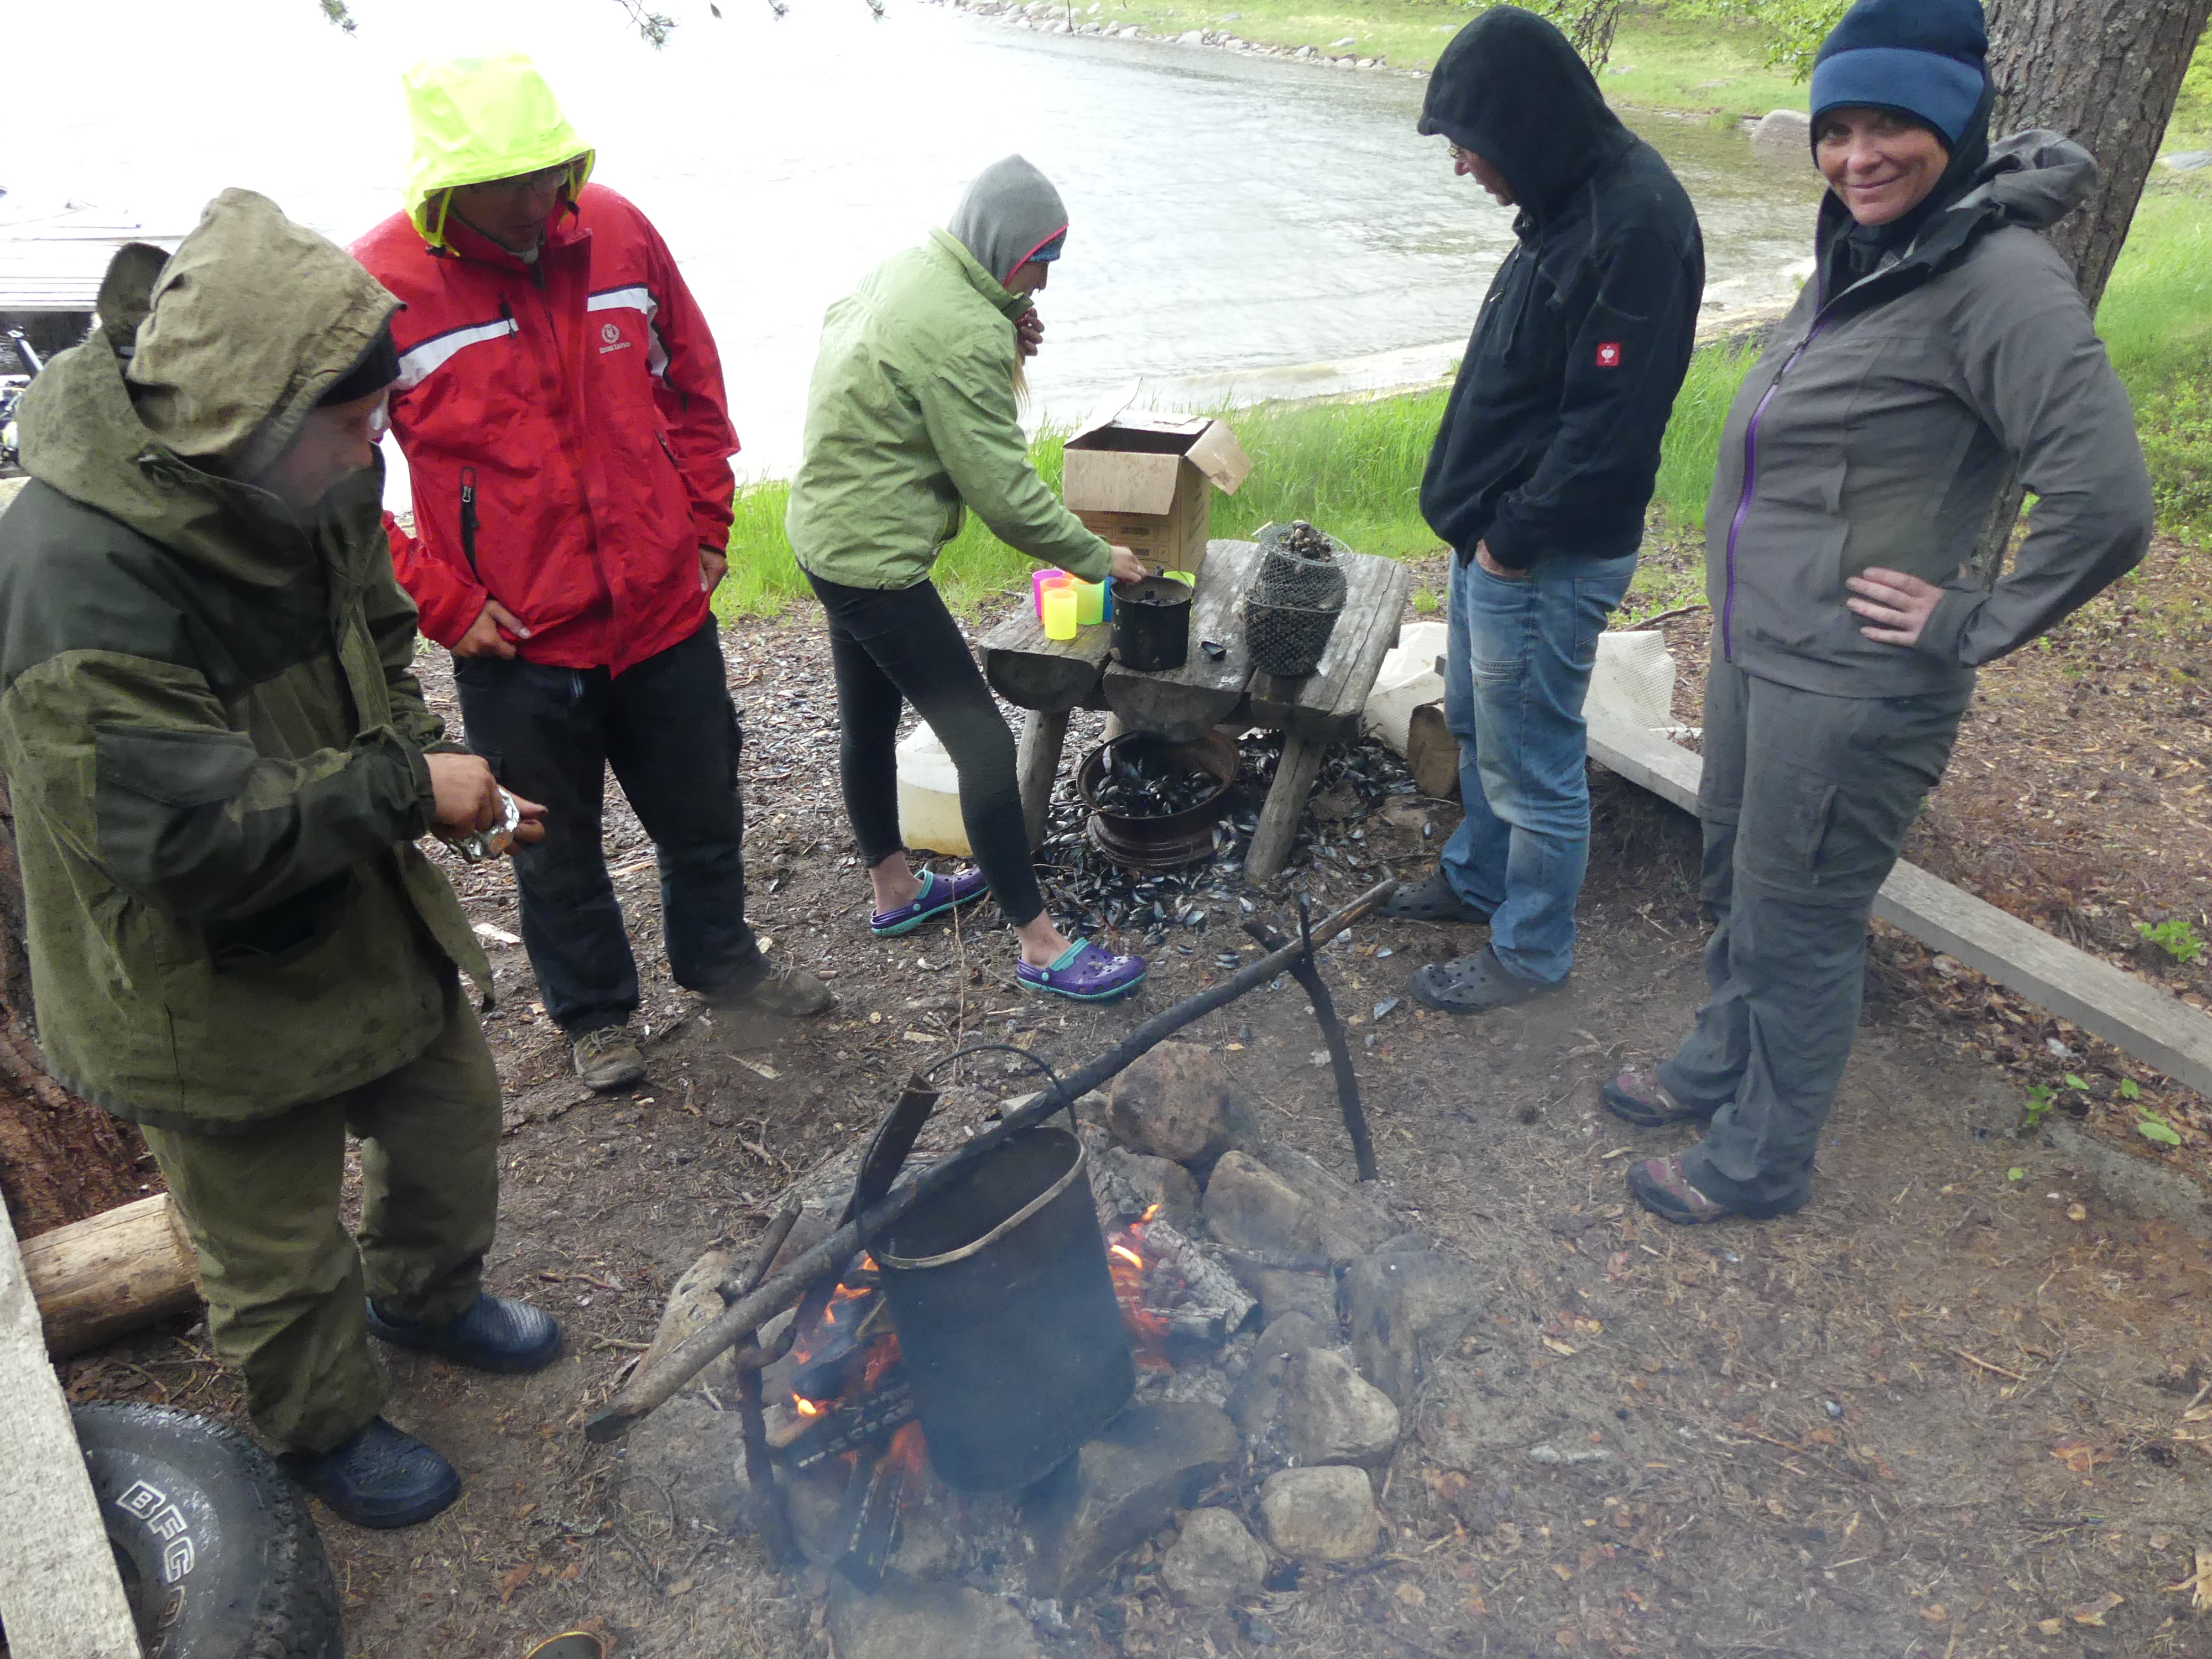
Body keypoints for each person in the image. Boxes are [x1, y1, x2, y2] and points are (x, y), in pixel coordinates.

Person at [0, 189, 564, 1528]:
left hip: (347, 887)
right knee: (274, 1240)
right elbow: (183, 841)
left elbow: (378, 630)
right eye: (356, 422)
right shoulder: (70, 572)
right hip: (189, 972)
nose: (381, 442)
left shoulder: (310, 463)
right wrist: (405, 788)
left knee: (447, 1122)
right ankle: (322, 1428)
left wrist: (429, 768)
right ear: (245, 419)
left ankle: (423, 1298)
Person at [1606, 0, 2154, 1224]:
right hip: (1762, 649)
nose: (1857, 157)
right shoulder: (1870, 248)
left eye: (1891, 126)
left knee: (1799, 925)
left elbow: (2107, 503)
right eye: (1835, 128)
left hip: (1852, 685)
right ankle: (1717, 1062)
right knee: (1735, 884)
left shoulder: (2000, 279)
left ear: (1955, 126)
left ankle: (1757, 1162)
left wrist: (1969, 621)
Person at [354, 55, 831, 1095]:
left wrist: (707, 522)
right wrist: (443, 600)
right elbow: (342, 480)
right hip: (520, 644)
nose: (540, 201)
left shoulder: (615, 229)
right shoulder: (382, 288)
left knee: (704, 813)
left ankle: (723, 965)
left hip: (663, 615)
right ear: (447, 191)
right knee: (551, 845)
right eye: (511, 184)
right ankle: (598, 1015)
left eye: (552, 172)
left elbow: (693, 382)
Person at [1390, 6, 1705, 1016]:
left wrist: (1512, 543)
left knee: (1533, 759)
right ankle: (1482, 880)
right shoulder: (1565, 197)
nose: (1461, 166)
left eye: (1467, 144)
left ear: (1521, 127)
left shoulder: (1634, 226)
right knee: (1482, 726)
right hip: (1497, 537)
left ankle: (1530, 950)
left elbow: (1609, 427)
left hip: (1541, 554)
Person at [786, 156, 1149, 1002]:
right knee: (984, 744)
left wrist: (1003, 319)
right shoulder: (965, 332)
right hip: (873, 563)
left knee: (868, 720)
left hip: (821, 531)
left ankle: (894, 890)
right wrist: (1100, 557)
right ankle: (1042, 946)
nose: (1044, 284)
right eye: (1040, 263)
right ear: (1004, 247)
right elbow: (1007, 498)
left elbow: (919, 360)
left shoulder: (913, 269)